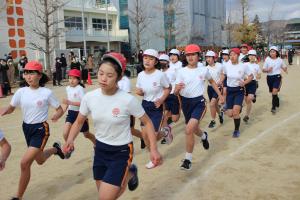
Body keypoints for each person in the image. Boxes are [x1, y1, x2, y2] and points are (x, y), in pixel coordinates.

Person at [63, 52, 162, 200]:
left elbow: (147, 122)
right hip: (100, 150)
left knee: (105, 197)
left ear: (119, 77)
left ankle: (128, 172)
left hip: (121, 152)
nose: (103, 78)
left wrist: (153, 149)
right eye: (101, 73)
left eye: (109, 75)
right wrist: (70, 140)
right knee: (105, 193)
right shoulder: (89, 98)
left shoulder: (127, 100)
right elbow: (78, 121)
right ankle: (130, 174)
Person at [0, 61, 65, 200]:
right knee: (40, 160)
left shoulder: (47, 93)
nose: (28, 76)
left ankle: (18, 197)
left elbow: (59, 109)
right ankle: (56, 149)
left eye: (32, 73)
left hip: (41, 129)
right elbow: (11, 108)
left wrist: (57, 115)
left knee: (24, 163)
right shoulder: (21, 92)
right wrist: (4, 111)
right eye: (26, 73)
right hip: (27, 128)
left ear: (40, 75)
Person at [175, 44, 224, 170]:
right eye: (188, 55)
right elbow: (175, 91)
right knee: (194, 128)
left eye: (193, 54)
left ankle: (188, 160)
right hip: (186, 103)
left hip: (199, 103)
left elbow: (212, 82)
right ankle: (204, 136)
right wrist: (177, 89)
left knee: (188, 129)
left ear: (198, 56)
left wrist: (220, 95)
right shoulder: (181, 72)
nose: (190, 57)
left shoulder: (203, 70)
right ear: (185, 57)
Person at [136, 49, 173, 169]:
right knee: (145, 136)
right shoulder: (140, 75)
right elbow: (139, 90)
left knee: (154, 136)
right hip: (145, 106)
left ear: (156, 61)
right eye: (145, 58)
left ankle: (155, 157)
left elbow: (168, 88)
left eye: (151, 59)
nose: (147, 61)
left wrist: (162, 99)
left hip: (157, 107)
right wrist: (139, 92)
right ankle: (164, 135)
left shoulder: (160, 75)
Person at [62, 69, 95, 159]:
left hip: (80, 114)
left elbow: (84, 103)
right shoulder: (67, 88)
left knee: (86, 135)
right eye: (69, 78)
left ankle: (97, 145)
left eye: (74, 78)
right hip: (71, 113)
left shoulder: (80, 89)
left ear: (78, 80)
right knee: (65, 133)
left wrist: (70, 102)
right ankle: (70, 147)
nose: (71, 80)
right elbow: (67, 103)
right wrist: (60, 113)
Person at [222, 48, 253, 138]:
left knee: (235, 113)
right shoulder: (226, 65)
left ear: (238, 55)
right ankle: (230, 109)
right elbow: (224, 74)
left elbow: (251, 76)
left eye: (234, 55)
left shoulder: (243, 66)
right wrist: (220, 81)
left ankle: (236, 130)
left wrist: (245, 82)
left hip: (239, 90)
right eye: (230, 55)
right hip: (229, 91)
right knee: (230, 114)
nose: (232, 56)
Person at [159, 54, 180, 144]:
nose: (161, 63)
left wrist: (177, 91)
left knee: (175, 119)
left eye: (164, 61)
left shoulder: (173, 71)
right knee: (165, 115)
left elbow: (179, 80)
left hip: (173, 96)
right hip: (164, 97)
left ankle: (168, 126)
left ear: (168, 62)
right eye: (160, 61)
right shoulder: (158, 72)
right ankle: (166, 133)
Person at [262, 46, 288, 114]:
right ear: (269, 53)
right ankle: (277, 98)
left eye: (273, 52)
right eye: (271, 52)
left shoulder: (280, 60)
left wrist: (285, 69)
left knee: (274, 91)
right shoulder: (267, 59)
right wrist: (267, 70)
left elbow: (284, 67)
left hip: (277, 76)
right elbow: (263, 70)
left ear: (276, 53)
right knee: (272, 92)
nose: (272, 53)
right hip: (269, 78)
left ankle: (273, 107)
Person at [205, 51, 224, 128]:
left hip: (218, 88)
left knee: (212, 104)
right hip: (210, 88)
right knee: (215, 105)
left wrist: (221, 81)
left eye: (209, 57)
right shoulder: (205, 68)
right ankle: (220, 114)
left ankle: (213, 120)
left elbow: (223, 75)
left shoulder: (219, 66)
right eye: (206, 58)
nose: (207, 59)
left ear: (214, 58)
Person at [243, 50, 261, 123]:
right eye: (250, 55)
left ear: (255, 57)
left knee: (249, 99)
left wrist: (258, 76)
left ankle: (247, 115)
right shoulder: (244, 64)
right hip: (245, 83)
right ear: (248, 56)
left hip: (253, 83)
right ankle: (253, 96)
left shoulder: (257, 66)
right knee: (246, 100)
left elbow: (259, 75)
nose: (252, 57)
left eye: (253, 55)